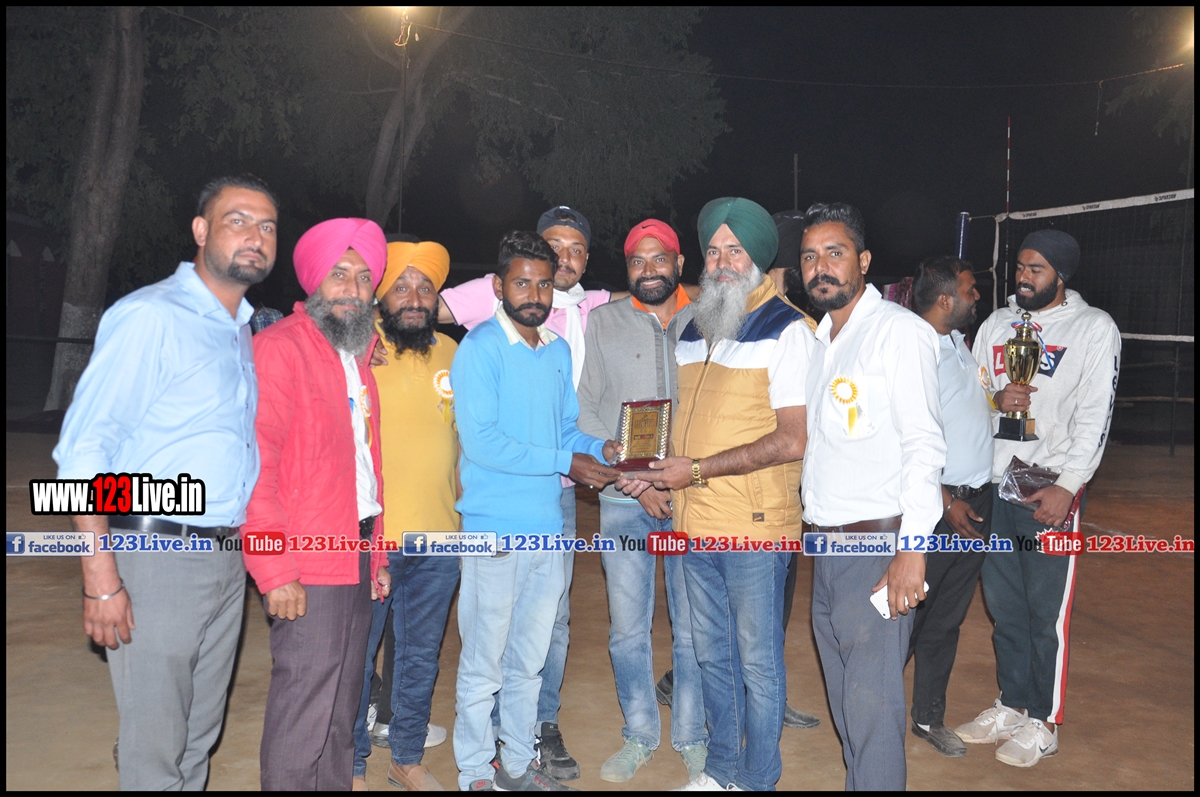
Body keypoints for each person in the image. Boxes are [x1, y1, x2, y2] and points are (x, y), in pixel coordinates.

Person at [54, 175, 278, 790]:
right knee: (155, 748)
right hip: (157, 554)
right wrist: (100, 579)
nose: (255, 236)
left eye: (266, 226)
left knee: (197, 737)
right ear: (201, 231)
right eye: (237, 221)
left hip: (226, 556)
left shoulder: (239, 329)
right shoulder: (151, 316)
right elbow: (82, 454)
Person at [627, 197, 815, 792]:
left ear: (758, 258)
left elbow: (792, 440)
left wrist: (698, 471)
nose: (723, 262)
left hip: (754, 528)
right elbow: (682, 426)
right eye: (713, 251)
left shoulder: (788, 329)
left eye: (736, 250)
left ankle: (758, 780)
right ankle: (721, 771)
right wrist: (647, 469)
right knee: (711, 656)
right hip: (692, 524)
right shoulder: (693, 328)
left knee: (757, 663)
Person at [438, 206, 609, 779]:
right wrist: (567, 461)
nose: (534, 294)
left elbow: (566, 431)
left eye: (543, 284)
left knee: (529, 662)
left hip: (547, 531)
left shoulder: (556, 350)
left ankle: (516, 762)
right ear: (498, 286)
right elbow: (483, 443)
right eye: (522, 283)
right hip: (493, 532)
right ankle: (473, 772)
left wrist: (605, 449)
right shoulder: (481, 347)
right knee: (483, 663)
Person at [956, 230, 1121, 767]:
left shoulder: (1093, 328)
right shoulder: (997, 324)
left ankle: (1044, 722)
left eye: (1037, 269)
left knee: (1044, 611)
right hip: (995, 482)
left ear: (1061, 275)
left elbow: (1096, 415)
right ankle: (1012, 704)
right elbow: (970, 390)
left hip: (1047, 485)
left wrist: (1068, 486)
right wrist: (994, 398)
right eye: (1021, 267)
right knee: (1004, 606)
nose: (1024, 277)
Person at [799, 201, 946, 791]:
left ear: (862, 261)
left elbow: (924, 446)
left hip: (877, 550)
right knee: (849, 709)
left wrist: (912, 550)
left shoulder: (899, 333)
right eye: (810, 257)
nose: (820, 267)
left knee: (874, 712)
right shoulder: (822, 341)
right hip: (827, 553)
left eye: (834, 253)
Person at [243, 217, 391, 791]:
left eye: (363, 277)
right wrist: (274, 568)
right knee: (304, 710)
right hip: (306, 561)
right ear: (314, 283)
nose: (353, 288)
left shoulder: (357, 359)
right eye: (339, 274)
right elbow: (256, 469)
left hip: (356, 550)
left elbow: (366, 470)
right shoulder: (279, 349)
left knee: (340, 710)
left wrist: (376, 558)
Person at [575, 219, 707, 783]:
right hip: (625, 504)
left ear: (679, 263)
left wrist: (674, 481)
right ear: (626, 268)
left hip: (693, 502)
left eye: (659, 259)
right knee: (628, 629)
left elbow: (717, 409)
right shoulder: (603, 322)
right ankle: (639, 734)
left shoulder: (708, 319)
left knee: (693, 628)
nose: (648, 270)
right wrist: (637, 481)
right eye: (637, 261)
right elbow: (586, 407)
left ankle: (693, 737)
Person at [350, 241, 460, 791]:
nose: (414, 298)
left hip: (440, 539)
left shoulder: (453, 353)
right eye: (401, 286)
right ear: (380, 295)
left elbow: (462, 442)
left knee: (421, 656)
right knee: (357, 657)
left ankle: (406, 758)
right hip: (374, 538)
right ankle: (350, 766)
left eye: (425, 288)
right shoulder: (355, 347)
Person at [907, 256, 995, 757]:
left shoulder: (958, 343)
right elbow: (903, 435)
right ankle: (872, 714)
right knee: (907, 617)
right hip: (939, 506)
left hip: (976, 502)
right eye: (969, 289)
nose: (976, 296)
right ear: (945, 300)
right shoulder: (915, 348)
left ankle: (928, 717)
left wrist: (997, 403)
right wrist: (944, 502)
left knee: (946, 618)